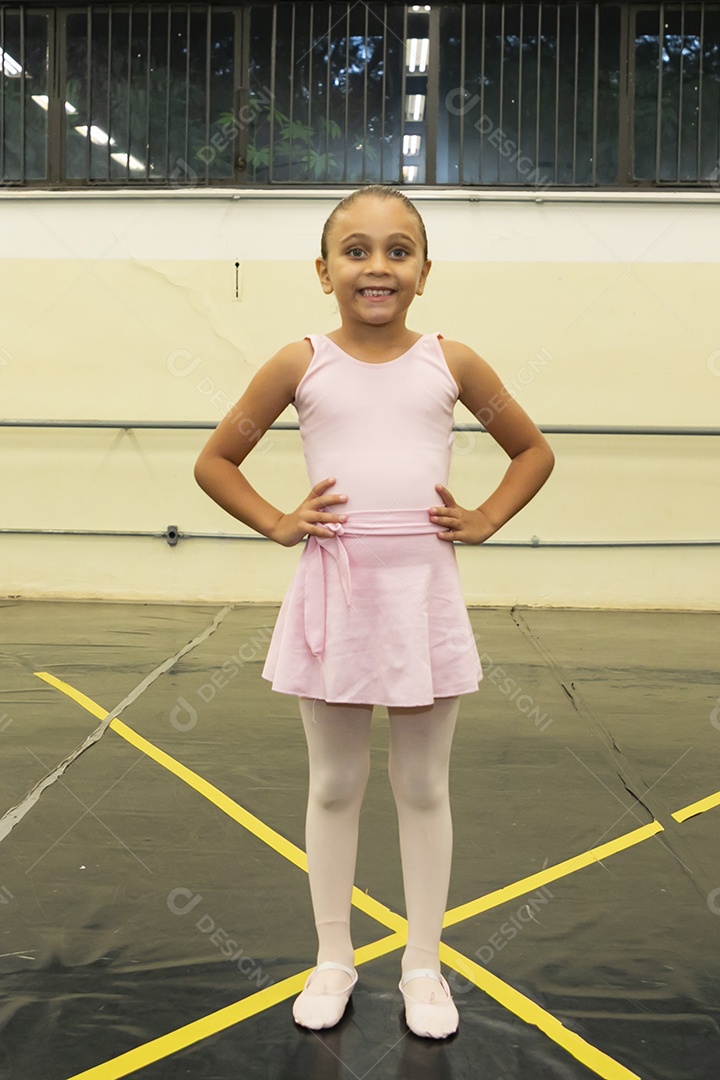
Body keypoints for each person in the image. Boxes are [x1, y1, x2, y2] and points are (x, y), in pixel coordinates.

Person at [193, 184, 554, 1039]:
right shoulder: (299, 363)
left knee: (424, 784)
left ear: (425, 272)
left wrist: (488, 516)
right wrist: (280, 522)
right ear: (324, 271)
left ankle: (423, 966)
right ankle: (333, 956)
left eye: (398, 250)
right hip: (337, 590)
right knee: (335, 783)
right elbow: (216, 460)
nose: (377, 266)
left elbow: (532, 450)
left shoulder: (452, 363)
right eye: (356, 250)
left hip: (422, 595)